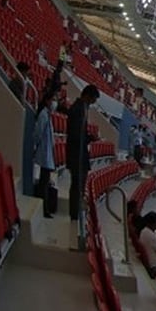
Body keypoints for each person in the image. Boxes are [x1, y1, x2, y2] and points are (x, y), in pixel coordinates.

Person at [65, 85, 100, 221]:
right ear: (87, 96)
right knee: (77, 184)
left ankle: (76, 211)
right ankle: (74, 214)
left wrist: (88, 137)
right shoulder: (77, 109)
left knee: (79, 184)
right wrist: (89, 138)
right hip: (76, 155)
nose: (93, 103)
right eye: (93, 100)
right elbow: (76, 135)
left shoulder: (82, 109)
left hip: (79, 153)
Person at [32, 89, 58, 218]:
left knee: (45, 181)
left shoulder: (47, 114)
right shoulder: (43, 115)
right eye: (53, 99)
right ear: (47, 101)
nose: (55, 102)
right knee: (44, 183)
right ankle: (44, 209)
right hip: (44, 153)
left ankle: (46, 208)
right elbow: (37, 133)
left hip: (47, 154)